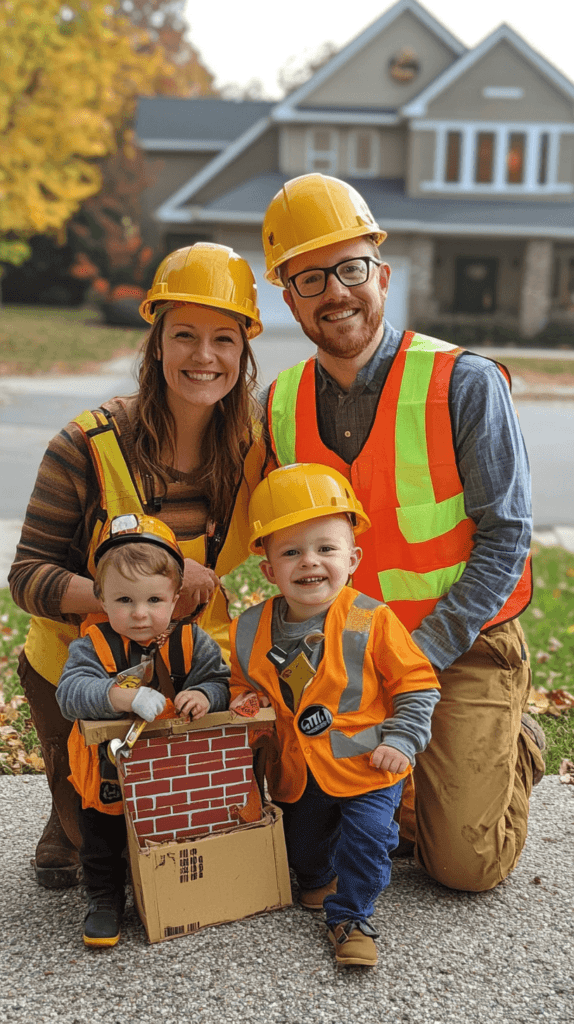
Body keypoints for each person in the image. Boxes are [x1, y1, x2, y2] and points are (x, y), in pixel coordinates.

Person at [260, 172, 546, 893]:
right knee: (323, 842)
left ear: (381, 275)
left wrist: (411, 658)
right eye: (309, 278)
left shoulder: (463, 381)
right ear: (288, 298)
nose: (336, 292)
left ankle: (519, 745)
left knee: (463, 867)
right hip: (347, 664)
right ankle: (430, 780)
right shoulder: (280, 405)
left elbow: (507, 536)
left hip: (461, 645)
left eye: (351, 268)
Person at [9, 242, 264, 889]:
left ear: (244, 352)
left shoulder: (253, 451)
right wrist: (133, 597)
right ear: (156, 344)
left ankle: (81, 799)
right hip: (81, 664)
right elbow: (27, 575)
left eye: (223, 340)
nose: (204, 357)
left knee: (189, 832)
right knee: (110, 846)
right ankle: (68, 805)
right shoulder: (86, 444)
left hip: (187, 669)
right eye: (184, 336)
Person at [229, 464, 440, 966]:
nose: (310, 563)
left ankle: (352, 916)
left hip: (370, 767)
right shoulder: (248, 628)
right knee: (303, 855)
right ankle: (321, 879)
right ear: (268, 569)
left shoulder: (373, 619)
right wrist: (244, 701)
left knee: (368, 842)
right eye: (291, 552)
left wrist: (401, 741)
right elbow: (243, 684)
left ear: (353, 558)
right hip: (298, 774)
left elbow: (417, 683)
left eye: (326, 549)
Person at [57, 513, 230, 947]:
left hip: (171, 773)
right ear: (101, 598)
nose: (139, 614)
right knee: (101, 840)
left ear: (176, 599)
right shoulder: (91, 647)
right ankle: (104, 899)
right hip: (108, 772)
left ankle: (177, 890)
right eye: (123, 601)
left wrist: (207, 696)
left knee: (178, 834)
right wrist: (121, 696)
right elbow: (71, 693)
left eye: (154, 600)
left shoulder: (193, 642)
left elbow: (223, 682)